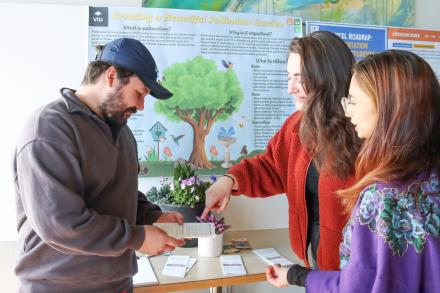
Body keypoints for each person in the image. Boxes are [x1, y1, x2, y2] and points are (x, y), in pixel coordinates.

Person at [13, 38, 186, 292]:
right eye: (139, 93)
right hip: (58, 286)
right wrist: (137, 237)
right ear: (111, 76)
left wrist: (152, 215)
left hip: (117, 282)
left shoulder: (123, 133)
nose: (141, 106)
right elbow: (61, 223)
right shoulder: (50, 129)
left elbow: (116, 193)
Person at [266, 50, 440, 291]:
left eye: (353, 101)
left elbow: (356, 286)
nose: (348, 112)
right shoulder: (430, 176)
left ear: (389, 106)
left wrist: (297, 276)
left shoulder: (381, 199)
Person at [203, 30, 361, 277]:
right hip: (314, 257)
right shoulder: (297, 125)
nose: (290, 88)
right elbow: (271, 166)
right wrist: (229, 181)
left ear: (326, 76)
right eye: (289, 77)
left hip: (354, 266)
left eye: (299, 78)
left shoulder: (361, 129)